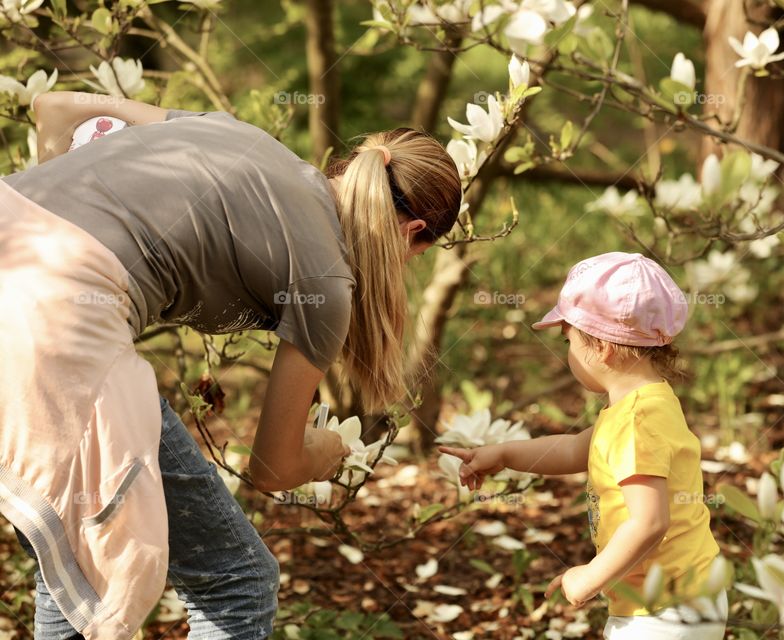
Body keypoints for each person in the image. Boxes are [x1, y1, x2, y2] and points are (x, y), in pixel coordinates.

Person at [0, 91, 461, 639]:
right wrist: (327, 452)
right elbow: (272, 469)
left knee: (76, 562)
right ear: (412, 235)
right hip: (52, 335)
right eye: (420, 256)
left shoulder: (236, 134)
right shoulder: (328, 285)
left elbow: (54, 106)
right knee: (237, 578)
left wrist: (59, 225)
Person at [439, 252, 727, 640]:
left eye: (569, 340)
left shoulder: (637, 420)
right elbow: (576, 449)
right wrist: (504, 454)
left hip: (664, 611)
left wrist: (588, 579)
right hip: (677, 599)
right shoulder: (642, 403)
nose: (567, 353)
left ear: (603, 348)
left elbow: (650, 522)